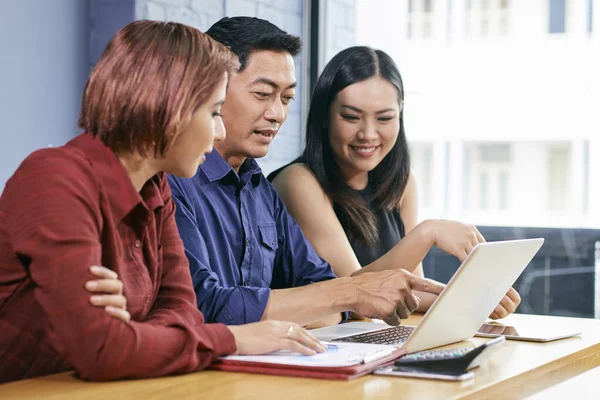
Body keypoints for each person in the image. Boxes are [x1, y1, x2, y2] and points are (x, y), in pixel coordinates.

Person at [0, 20, 326, 384]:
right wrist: (233, 338)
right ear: (168, 108)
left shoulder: (157, 192)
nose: (219, 130)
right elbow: (101, 350)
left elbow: (183, 314)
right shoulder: (54, 180)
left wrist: (133, 331)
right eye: (214, 111)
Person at [168, 17, 445, 329]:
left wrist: (321, 301)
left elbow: (326, 290)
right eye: (262, 94)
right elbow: (202, 307)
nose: (277, 114)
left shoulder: (259, 189)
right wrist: (329, 298)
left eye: (287, 98)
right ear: (210, 90)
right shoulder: (171, 181)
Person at [268, 46, 520, 319]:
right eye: (351, 117)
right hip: (315, 346)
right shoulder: (298, 182)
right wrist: (426, 234)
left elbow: (409, 293)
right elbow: (354, 295)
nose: (368, 134)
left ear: (400, 113)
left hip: (367, 340)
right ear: (325, 116)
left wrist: (473, 300)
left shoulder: (401, 183)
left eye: (385, 118)